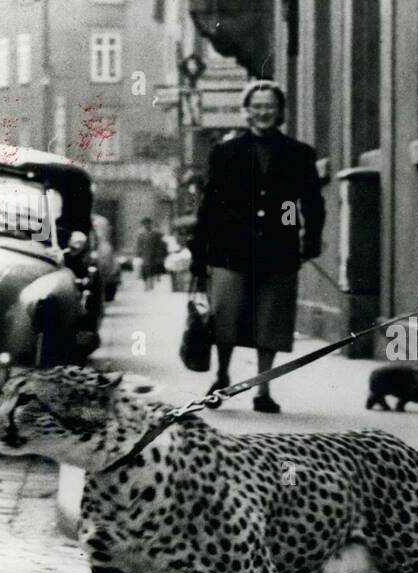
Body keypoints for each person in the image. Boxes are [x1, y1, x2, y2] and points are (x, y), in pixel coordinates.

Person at [190, 80, 325, 412]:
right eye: (257, 106)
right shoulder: (225, 153)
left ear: (280, 112)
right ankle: (222, 377)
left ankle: (262, 390)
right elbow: (210, 205)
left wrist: (310, 240)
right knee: (226, 317)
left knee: (271, 321)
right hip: (229, 250)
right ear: (246, 111)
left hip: (279, 251)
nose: (264, 113)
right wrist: (199, 252)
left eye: (270, 106)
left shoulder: (299, 154)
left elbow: (312, 203)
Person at [134, 217, 167, 292]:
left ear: (150, 224)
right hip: (144, 254)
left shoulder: (156, 233)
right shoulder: (140, 234)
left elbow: (160, 243)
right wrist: (137, 253)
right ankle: (146, 285)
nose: (146, 225)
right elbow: (138, 244)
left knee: (152, 268)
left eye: (148, 223)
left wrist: (160, 254)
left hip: (153, 253)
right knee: (145, 269)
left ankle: (151, 283)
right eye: (145, 224)